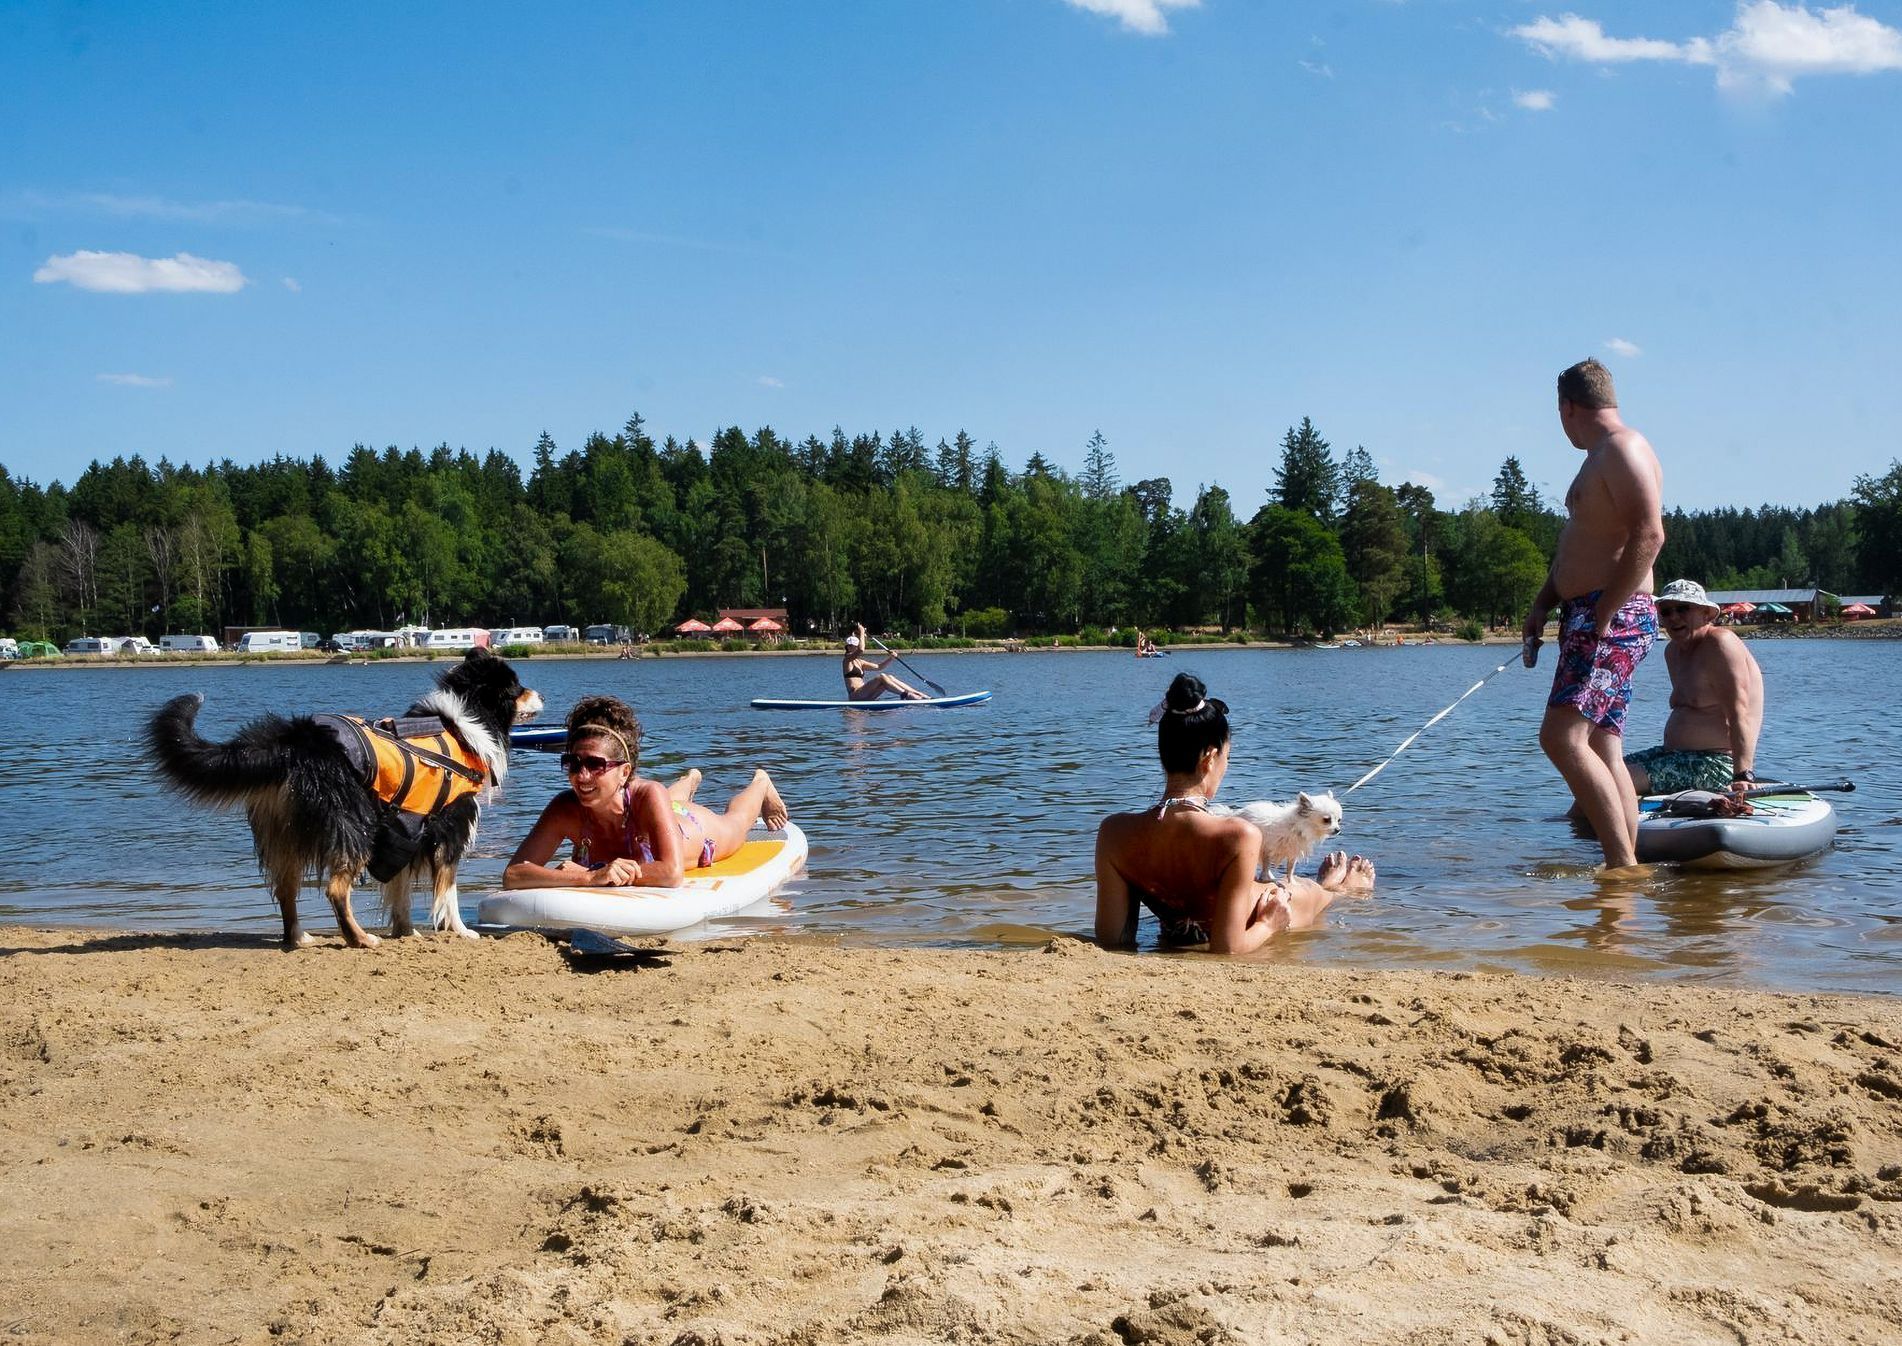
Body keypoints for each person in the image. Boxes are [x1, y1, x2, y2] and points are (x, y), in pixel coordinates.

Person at [1094, 672, 1374, 954]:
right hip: (1253, 915)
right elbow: (1227, 948)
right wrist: (1268, 924)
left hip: (1183, 923)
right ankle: (1336, 890)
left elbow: (1113, 939)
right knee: (1305, 892)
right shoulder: (1238, 834)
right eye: (1226, 757)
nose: (1225, 767)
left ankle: (1328, 888)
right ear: (1209, 758)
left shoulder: (1114, 832)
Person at [1521, 358, 1666, 871]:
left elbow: (1650, 534)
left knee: (1560, 738)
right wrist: (1544, 602)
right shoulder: (1599, 457)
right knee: (1603, 744)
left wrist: (1605, 612)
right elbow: (1580, 546)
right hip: (1593, 611)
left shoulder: (1623, 448)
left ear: (1567, 407)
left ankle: (1621, 868)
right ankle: (1627, 867)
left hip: (1612, 613)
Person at [505, 695, 789, 889]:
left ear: (624, 772)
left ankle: (761, 784)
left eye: (595, 765)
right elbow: (514, 873)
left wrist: (596, 872)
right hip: (654, 811)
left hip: (692, 830)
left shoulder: (649, 794)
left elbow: (671, 873)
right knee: (665, 801)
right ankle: (689, 779)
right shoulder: (565, 808)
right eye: (573, 763)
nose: (582, 776)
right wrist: (590, 878)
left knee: (735, 822)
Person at [1623, 579, 1765, 796]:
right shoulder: (1672, 651)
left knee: (1612, 782)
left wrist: (1743, 774)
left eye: (1683, 608)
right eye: (1666, 611)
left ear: (1706, 614)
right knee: (1599, 773)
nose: (1673, 617)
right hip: (1674, 755)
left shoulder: (1720, 643)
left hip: (1714, 764)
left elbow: (1740, 713)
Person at [841, 623, 927, 701]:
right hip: (855, 695)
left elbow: (879, 667)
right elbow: (861, 649)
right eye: (855, 646)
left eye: (857, 646)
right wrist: (862, 631)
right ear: (848, 647)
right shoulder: (847, 660)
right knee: (881, 677)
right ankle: (906, 695)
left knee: (889, 677)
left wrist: (891, 658)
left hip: (866, 695)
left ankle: (919, 694)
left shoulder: (860, 662)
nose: (857, 648)